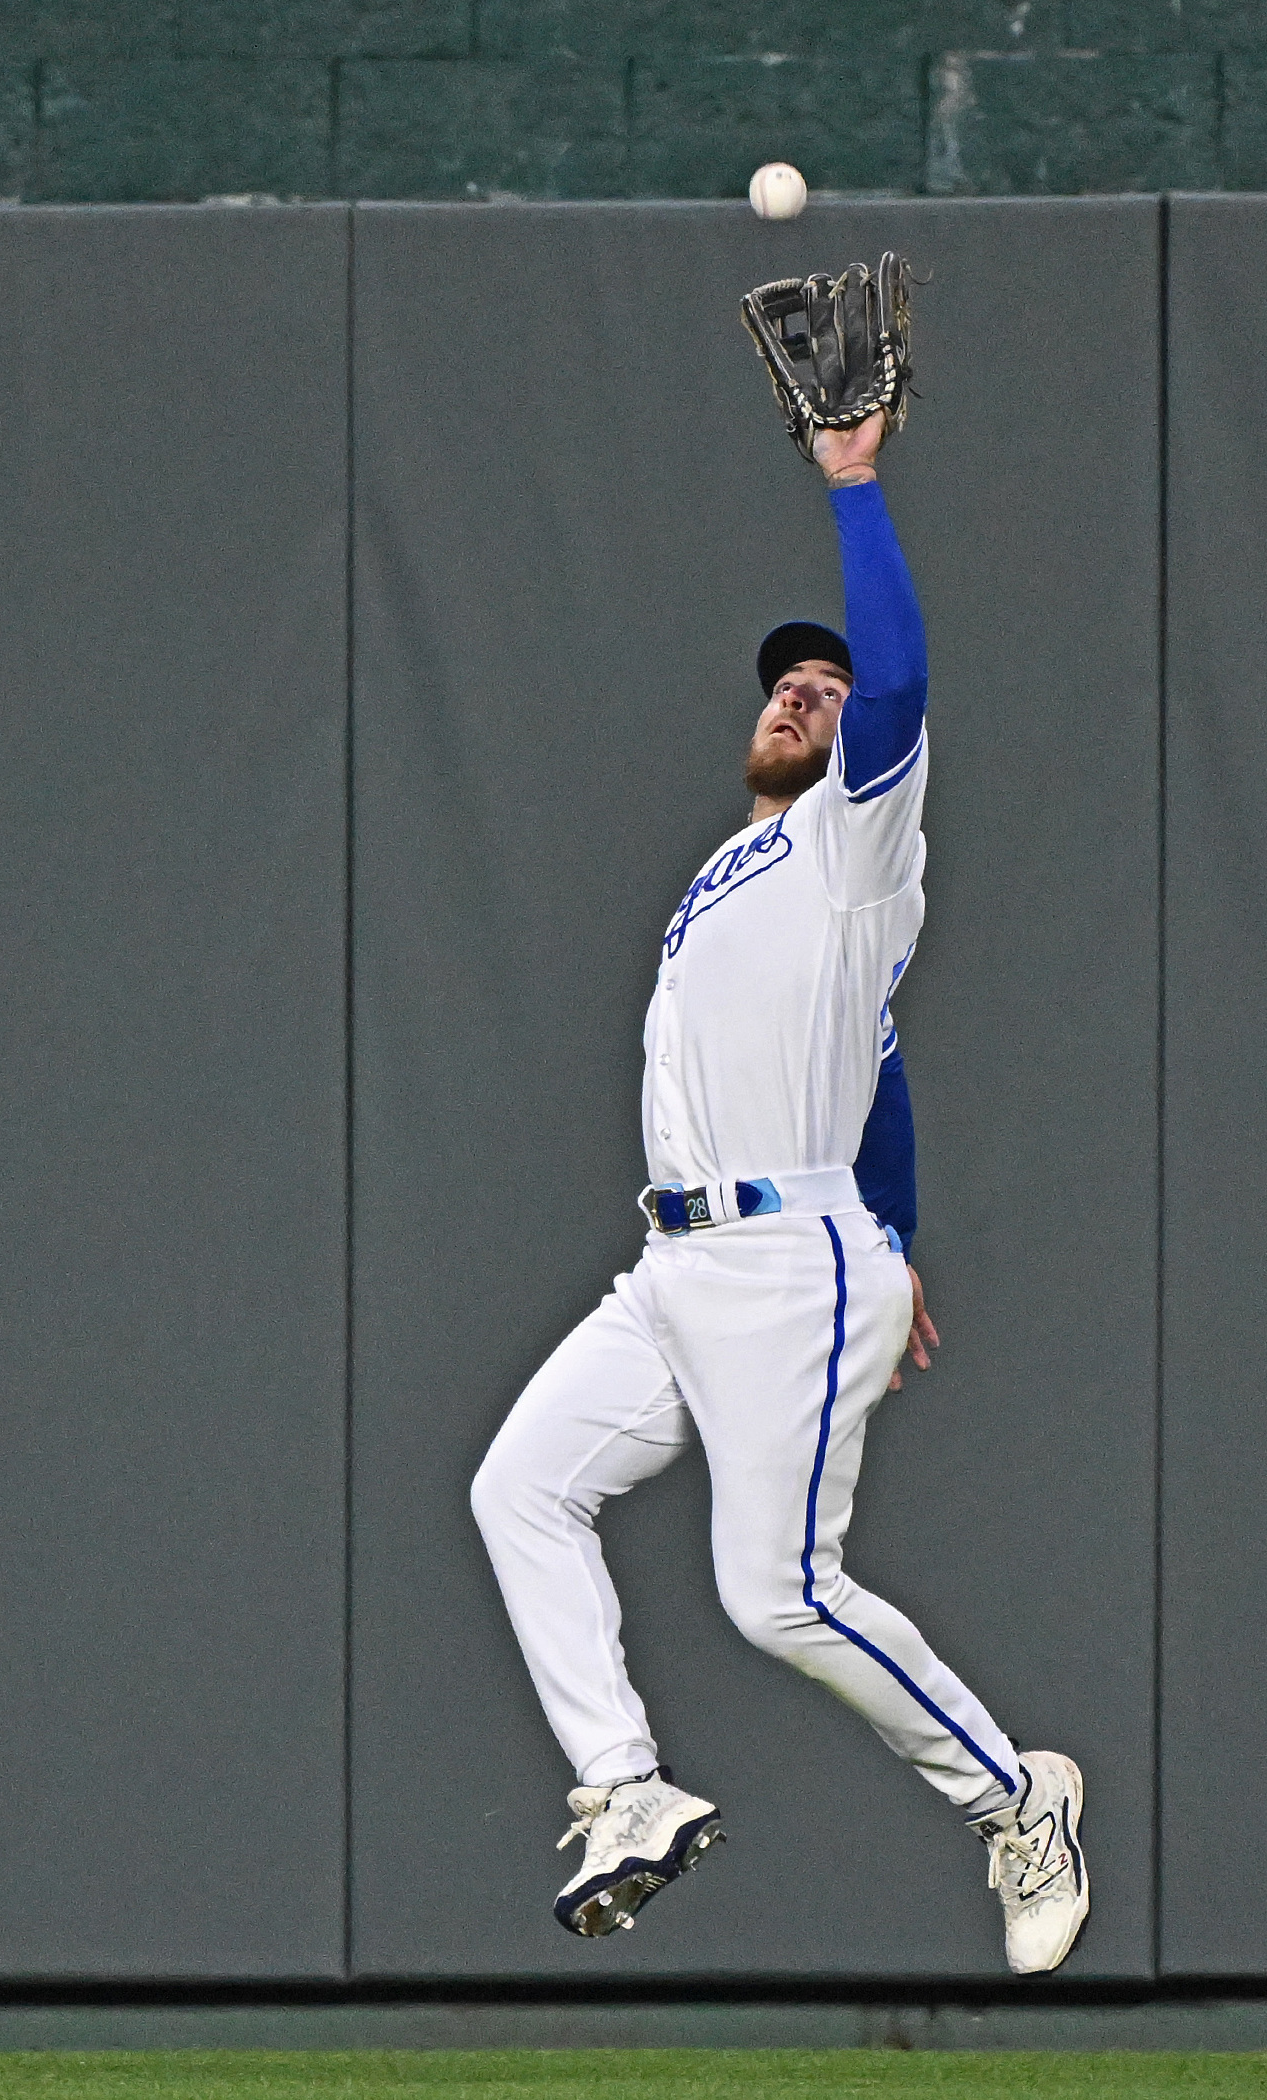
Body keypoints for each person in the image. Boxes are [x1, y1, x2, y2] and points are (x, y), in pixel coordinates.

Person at [466, 410, 1089, 1975]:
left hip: (781, 1261)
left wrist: (856, 489)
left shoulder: (853, 842)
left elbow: (899, 681)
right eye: (781, 684)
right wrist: (902, 1225)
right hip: (682, 1263)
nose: (800, 695)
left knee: (777, 1596)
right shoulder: (726, 877)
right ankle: (624, 1789)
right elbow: (872, 1054)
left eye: (824, 690)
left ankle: (1018, 1796)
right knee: (518, 1489)